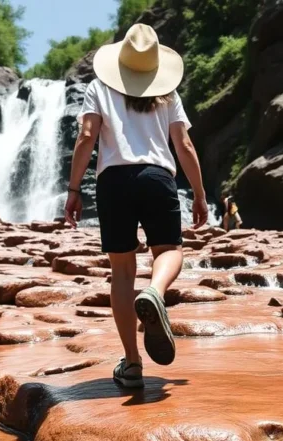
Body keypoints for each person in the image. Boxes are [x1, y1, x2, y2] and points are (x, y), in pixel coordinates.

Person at [65, 23, 208, 389]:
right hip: (158, 178)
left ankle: (131, 364)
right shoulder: (168, 96)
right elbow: (185, 146)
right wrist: (200, 193)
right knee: (170, 249)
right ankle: (156, 292)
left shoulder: (98, 88)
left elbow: (86, 137)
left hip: (113, 181)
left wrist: (74, 189)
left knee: (122, 271)